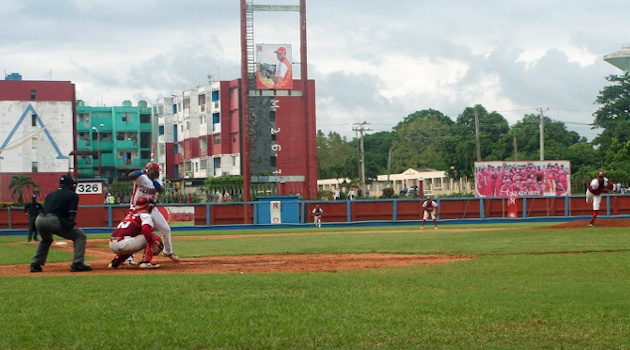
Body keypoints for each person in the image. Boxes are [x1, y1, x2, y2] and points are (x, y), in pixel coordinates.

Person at [30, 174, 92, 272]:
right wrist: (69, 225)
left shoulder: (51, 194)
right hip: (53, 220)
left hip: (39, 220)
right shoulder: (72, 195)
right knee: (80, 236)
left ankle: (36, 264)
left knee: (46, 239)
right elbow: (71, 215)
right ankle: (77, 263)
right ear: (69, 185)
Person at [128, 162, 179, 262]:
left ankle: (168, 251)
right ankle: (129, 258)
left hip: (151, 208)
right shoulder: (141, 178)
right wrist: (144, 171)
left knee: (166, 229)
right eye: (156, 171)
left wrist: (152, 179)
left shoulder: (157, 181)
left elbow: (160, 190)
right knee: (137, 233)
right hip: (137, 209)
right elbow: (130, 176)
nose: (157, 173)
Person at [108, 196, 164, 269]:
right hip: (124, 242)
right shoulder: (145, 215)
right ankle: (146, 262)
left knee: (132, 241)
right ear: (148, 206)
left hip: (113, 243)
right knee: (153, 237)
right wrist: (152, 245)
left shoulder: (131, 214)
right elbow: (146, 230)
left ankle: (115, 263)